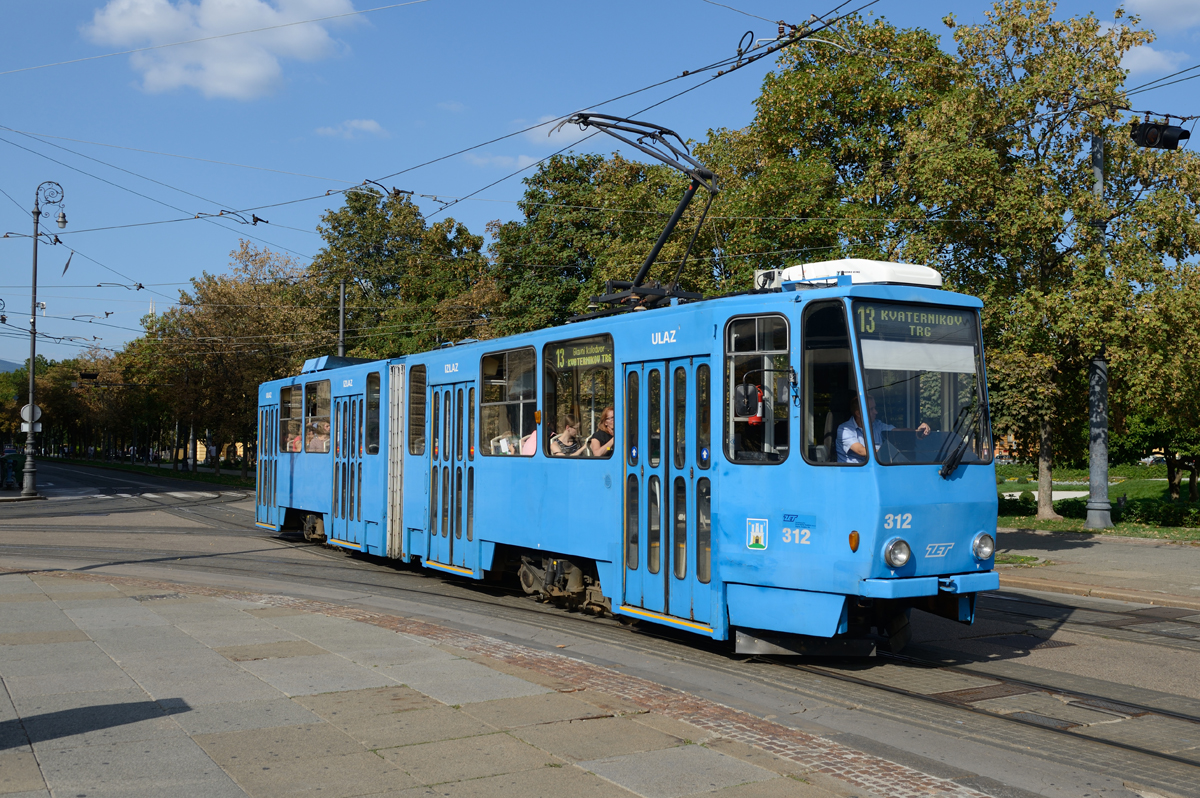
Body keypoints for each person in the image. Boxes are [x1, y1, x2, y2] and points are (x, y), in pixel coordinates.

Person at [836, 393, 930, 464]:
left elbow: (897, 431)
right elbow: (862, 450)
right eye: (871, 409)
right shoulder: (845, 430)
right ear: (858, 413)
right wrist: (891, 453)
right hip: (853, 475)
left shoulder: (877, 425)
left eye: (875, 408)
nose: (876, 412)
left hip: (876, 470)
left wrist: (916, 431)